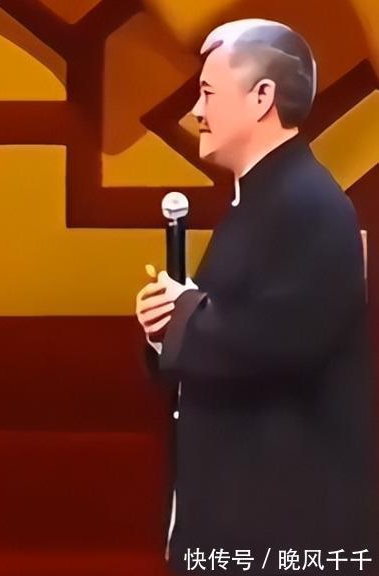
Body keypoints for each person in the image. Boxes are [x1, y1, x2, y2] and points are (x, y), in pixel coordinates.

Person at [136, 19, 378, 575]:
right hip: (243, 512)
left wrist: (183, 316)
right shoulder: (261, 201)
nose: (196, 110)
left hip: (287, 525)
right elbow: (230, 325)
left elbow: (278, 339)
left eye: (208, 92)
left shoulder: (310, 205)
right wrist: (165, 325)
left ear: (262, 96)